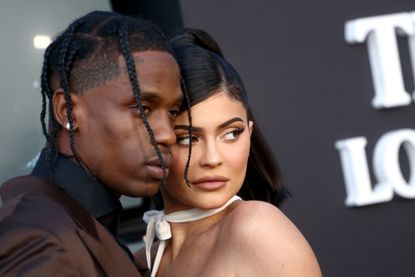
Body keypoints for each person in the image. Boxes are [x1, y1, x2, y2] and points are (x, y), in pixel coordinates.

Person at [0, 11, 185, 276]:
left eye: (173, 112)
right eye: (143, 109)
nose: (168, 134)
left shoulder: (73, 222)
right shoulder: (37, 239)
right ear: (68, 111)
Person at [138, 29, 322, 277]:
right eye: (188, 138)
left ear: (249, 132)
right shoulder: (140, 261)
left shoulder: (256, 229)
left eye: (231, 133)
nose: (212, 159)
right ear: (154, 141)